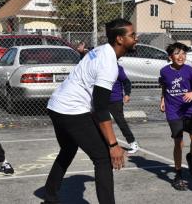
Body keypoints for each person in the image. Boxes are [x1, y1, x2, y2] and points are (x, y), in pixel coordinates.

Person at [41, 18, 138, 204]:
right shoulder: (108, 64)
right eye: (132, 35)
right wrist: (113, 145)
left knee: (68, 149)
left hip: (56, 106)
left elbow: (96, 107)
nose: (136, 38)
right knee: (103, 158)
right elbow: (101, 107)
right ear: (119, 39)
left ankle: (49, 199)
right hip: (71, 109)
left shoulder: (101, 50)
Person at [159, 42, 192, 191]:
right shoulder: (164, 71)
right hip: (173, 111)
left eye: (183, 53)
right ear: (170, 56)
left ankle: (191, 156)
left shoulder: (190, 71)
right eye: (177, 53)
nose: (181, 56)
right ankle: (178, 175)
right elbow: (165, 86)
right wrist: (163, 100)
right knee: (178, 142)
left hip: (190, 110)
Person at [109, 64, 139, 154]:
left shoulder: (117, 68)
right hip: (101, 99)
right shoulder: (99, 66)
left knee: (120, 121)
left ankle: (133, 143)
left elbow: (126, 82)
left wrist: (127, 94)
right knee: (100, 122)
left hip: (115, 99)